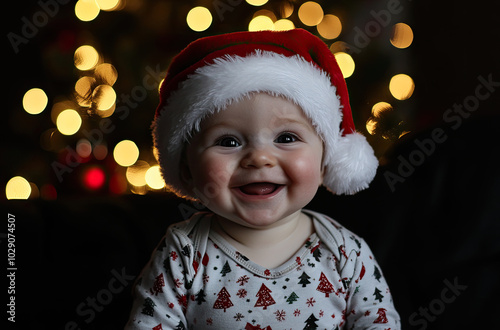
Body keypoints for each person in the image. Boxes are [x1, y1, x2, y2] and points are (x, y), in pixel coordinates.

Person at [125, 29, 400, 329]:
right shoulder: (184, 253)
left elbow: (378, 322)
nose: (259, 158)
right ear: (188, 169)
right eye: (227, 141)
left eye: (286, 137)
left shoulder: (346, 253)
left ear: (325, 161)